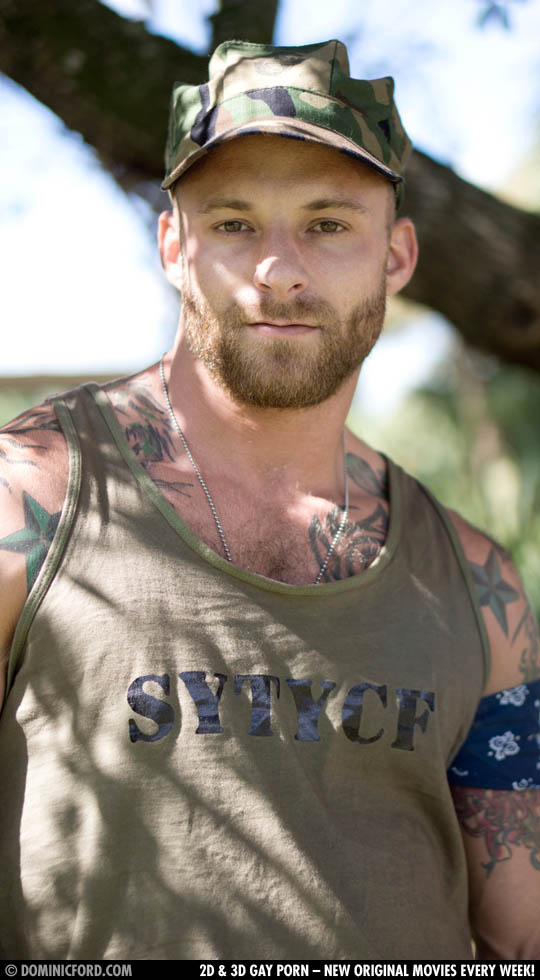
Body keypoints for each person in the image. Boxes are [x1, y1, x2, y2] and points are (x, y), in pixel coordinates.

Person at [0, 39, 539, 962]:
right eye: (234, 223)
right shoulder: (28, 498)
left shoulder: (477, 583)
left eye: (328, 224)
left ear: (396, 256)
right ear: (175, 247)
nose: (278, 270)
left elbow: (519, 927)